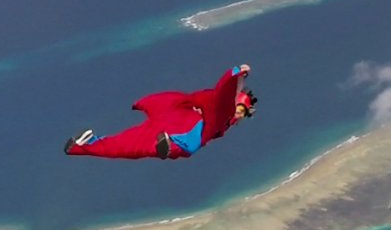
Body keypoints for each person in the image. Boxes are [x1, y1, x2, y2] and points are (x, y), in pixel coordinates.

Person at [67, 64, 256, 160]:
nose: (239, 115)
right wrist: (236, 73)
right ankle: (167, 145)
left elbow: (227, 92)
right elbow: (225, 94)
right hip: (187, 127)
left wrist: (237, 76)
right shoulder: (223, 112)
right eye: (241, 110)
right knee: (185, 147)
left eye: (243, 114)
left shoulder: (217, 109)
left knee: (127, 147)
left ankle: (82, 145)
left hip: (169, 118)